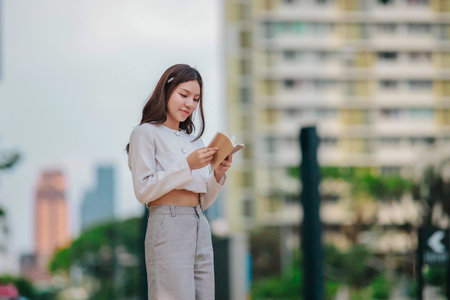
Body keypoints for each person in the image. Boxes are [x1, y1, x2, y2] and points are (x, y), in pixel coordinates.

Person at [126, 64, 232, 300]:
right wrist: (188, 165)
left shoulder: (194, 140)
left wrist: (217, 175)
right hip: (167, 221)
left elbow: (201, 201)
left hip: (198, 222)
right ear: (166, 91)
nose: (189, 104)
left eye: (195, 99)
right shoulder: (145, 133)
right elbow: (144, 190)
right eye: (183, 95)